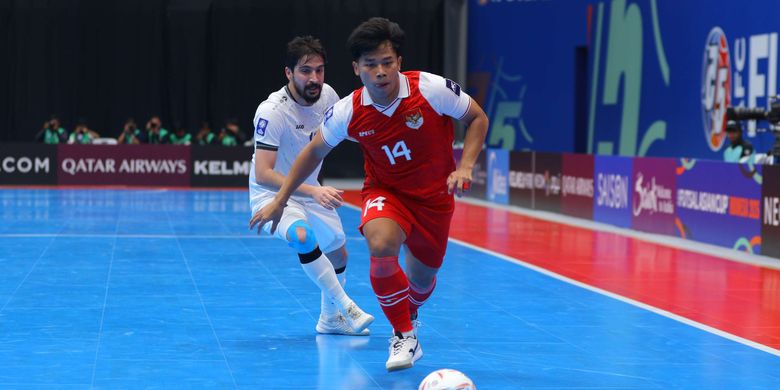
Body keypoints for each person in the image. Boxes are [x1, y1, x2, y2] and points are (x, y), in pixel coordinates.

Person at [250, 18, 489, 371]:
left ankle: (409, 314)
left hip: (434, 198)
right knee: (380, 244)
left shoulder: (430, 88)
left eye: (387, 62)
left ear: (399, 62)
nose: (380, 72)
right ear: (356, 68)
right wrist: (280, 200)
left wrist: (465, 166)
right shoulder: (348, 110)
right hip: (385, 191)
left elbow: (477, 118)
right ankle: (402, 335)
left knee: (422, 282)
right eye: (371, 64)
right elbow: (312, 153)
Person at [247, 36, 374, 336]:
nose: (314, 78)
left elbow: (348, 130)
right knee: (302, 236)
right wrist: (314, 191)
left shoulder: (328, 96)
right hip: (273, 194)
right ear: (289, 73)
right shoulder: (272, 112)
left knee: (339, 255)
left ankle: (329, 320)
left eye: (319, 70)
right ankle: (347, 306)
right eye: (305, 71)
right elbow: (263, 174)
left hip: (309, 189)